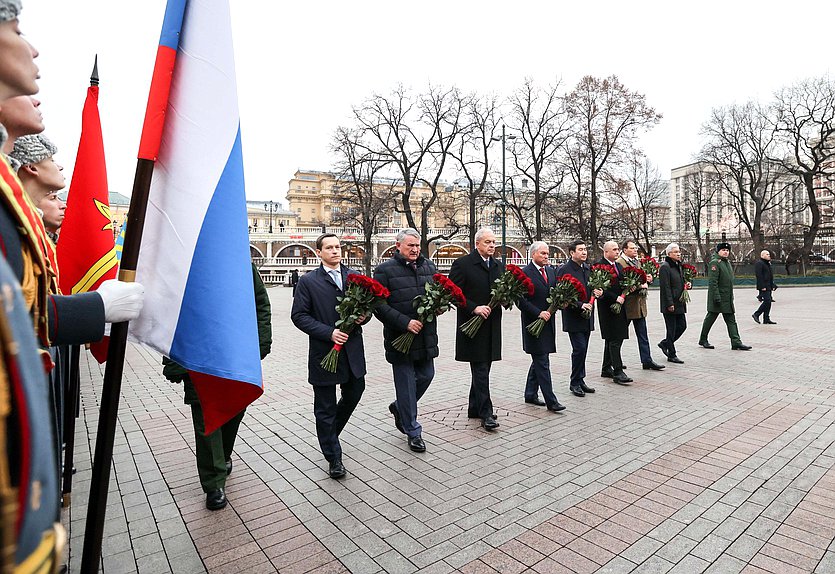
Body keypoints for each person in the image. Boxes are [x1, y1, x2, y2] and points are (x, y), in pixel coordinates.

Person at [162, 264, 271, 510]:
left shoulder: (239, 262)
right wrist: (172, 359)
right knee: (206, 420)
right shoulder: (183, 262)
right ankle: (213, 484)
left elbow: (260, 304)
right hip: (197, 357)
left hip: (235, 355)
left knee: (235, 409)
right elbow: (170, 312)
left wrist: (260, 345)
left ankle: (223, 454)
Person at [291, 233, 368, 478]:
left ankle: (329, 434)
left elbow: (367, 307)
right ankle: (334, 457)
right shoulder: (308, 281)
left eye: (337, 247)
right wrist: (329, 333)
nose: (335, 251)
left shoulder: (354, 277)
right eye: (329, 248)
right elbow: (299, 316)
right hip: (324, 352)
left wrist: (363, 317)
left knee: (355, 392)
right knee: (324, 407)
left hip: (352, 352)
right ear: (319, 252)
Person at [374, 228, 440, 452]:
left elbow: (437, 295)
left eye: (417, 245)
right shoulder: (384, 270)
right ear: (398, 246)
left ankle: (399, 407)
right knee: (406, 385)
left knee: (427, 375)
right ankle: (413, 431)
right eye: (410, 245)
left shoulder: (429, 267)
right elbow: (379, 306)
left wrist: (438, 308)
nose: (415, 249)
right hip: (399, 338)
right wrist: (404, 323)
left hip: (425, 336)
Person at [449, 227, 503, 430]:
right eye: (488, 242)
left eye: (494, 242)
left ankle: (474, 407)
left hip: (491, 325)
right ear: (477, 243)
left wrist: (505, 300)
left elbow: (501, 290)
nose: (492, 246)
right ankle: (486, 413)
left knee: (484, 367)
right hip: (472, 326)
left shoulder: (498, 265)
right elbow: (453, 293)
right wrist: (474, 308)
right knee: (480, 369)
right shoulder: (463, 264)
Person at [517, 241, 565, 412]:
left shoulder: (551, 271)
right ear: (533, 254)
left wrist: (561, 303)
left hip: (547, 323)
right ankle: (551, 401)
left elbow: (555, 293)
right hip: (533, 324)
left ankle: (530, 394)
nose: (546, 256)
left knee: (540, 359)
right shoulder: (525, 273)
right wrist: (538, 313)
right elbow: (520, 300)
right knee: (542, 361)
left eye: (547, 253)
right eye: (543, 253)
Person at [556, 240, 602, 397]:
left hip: (587, 317)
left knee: (584, 350)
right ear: (572, 252)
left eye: (585, 249)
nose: (584, 252)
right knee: (579, 349)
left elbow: (593, 288)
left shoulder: (588, 268)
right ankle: (574, 382)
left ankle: (581, 380)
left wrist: (599, 292)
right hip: (573, 316)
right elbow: (561, 295)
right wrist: (580, 305)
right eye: (580, 249)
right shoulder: (564, 270)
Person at [616, 240, 665, 371]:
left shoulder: (637, 262)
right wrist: (640, 285)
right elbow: (622, 283)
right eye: (632, 248)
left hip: (639, 305)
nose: (635, 250)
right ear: (625, 250)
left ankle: (647, 361)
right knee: (618, 336)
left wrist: (648, 279)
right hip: (627, 305)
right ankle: (613, 361)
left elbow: (641, 278)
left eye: (635, 248)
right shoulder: (620, 263)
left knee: (643, 335)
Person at [699, 242, 752, 350]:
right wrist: (716, 296)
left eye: (727, 250)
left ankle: (736, 342)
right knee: (710, 318)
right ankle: (703, 339)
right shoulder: (715, 263)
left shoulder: (726, 263)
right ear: (718, 251)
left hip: (727, 298)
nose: (726, 252)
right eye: (723, 250)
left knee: (731, 320)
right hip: (718, 297)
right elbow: (713, 282)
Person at [657, 243, 688, 364]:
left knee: (682, 326)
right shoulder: (665, 267)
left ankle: (665, 344)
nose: (678, 254)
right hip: (670, 303)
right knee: (671, 329)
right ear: (669, 254)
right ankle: (672, 354)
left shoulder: (678, 265)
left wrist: (687, 285)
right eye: (675, 252)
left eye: (679, 251)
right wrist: (669, 303)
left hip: (679, 302)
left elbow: (679, 281)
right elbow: (665, 287)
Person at [753, 250, 777, 324]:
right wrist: (762, 286)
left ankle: (766, 319)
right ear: (762, 255)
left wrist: (773, 285)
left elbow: (770, 276)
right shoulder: (759, 263)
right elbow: (759, 275)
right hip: (764, 286)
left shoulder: (768, 263)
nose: (769, 255)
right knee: (767, 301)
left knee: (769, 302)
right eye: (767, 254)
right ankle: (756, 314)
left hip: (768, 285)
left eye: (769, 254)